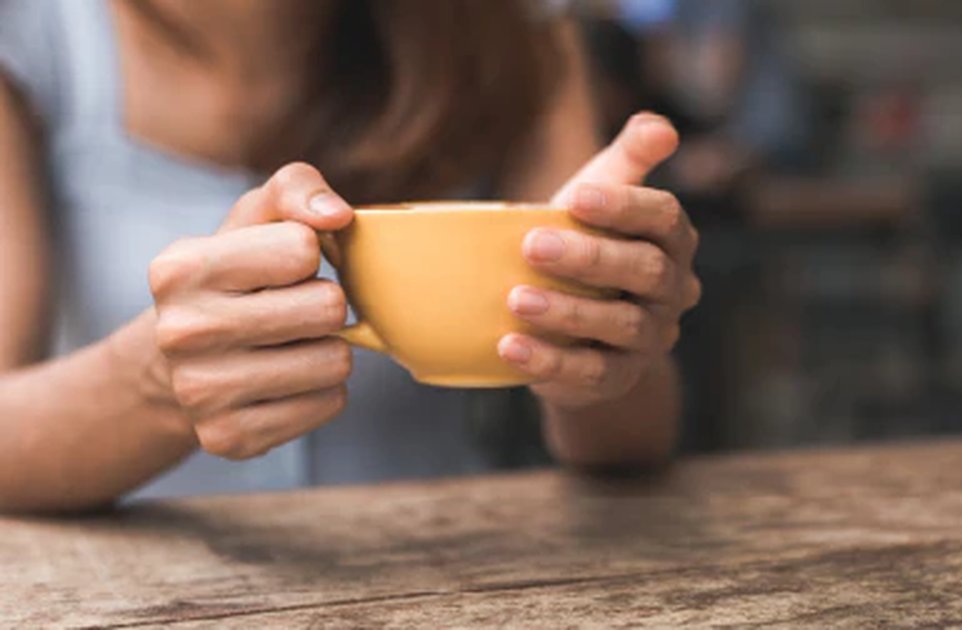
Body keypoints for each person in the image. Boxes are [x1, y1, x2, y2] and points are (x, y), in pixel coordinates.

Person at [0, 0, 701, 512]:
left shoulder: (515, 35)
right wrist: (151, 384)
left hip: (456, 582)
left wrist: (600, 338)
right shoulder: (31, 33)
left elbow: (631, 446)